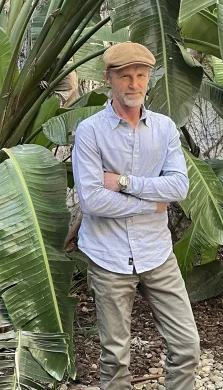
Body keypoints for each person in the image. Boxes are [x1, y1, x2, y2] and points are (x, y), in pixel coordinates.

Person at [72, 41, 200, 390]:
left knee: (187, 346)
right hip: (109, 256)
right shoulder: (90, 132)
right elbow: (92, 201)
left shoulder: (164, 128)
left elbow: (178, 187)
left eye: (141, 75)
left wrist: (124, 182)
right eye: (125, 76)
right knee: (115, 358)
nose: (134, 84)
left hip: (157, 253)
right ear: (108, 79)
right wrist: (152, 203)